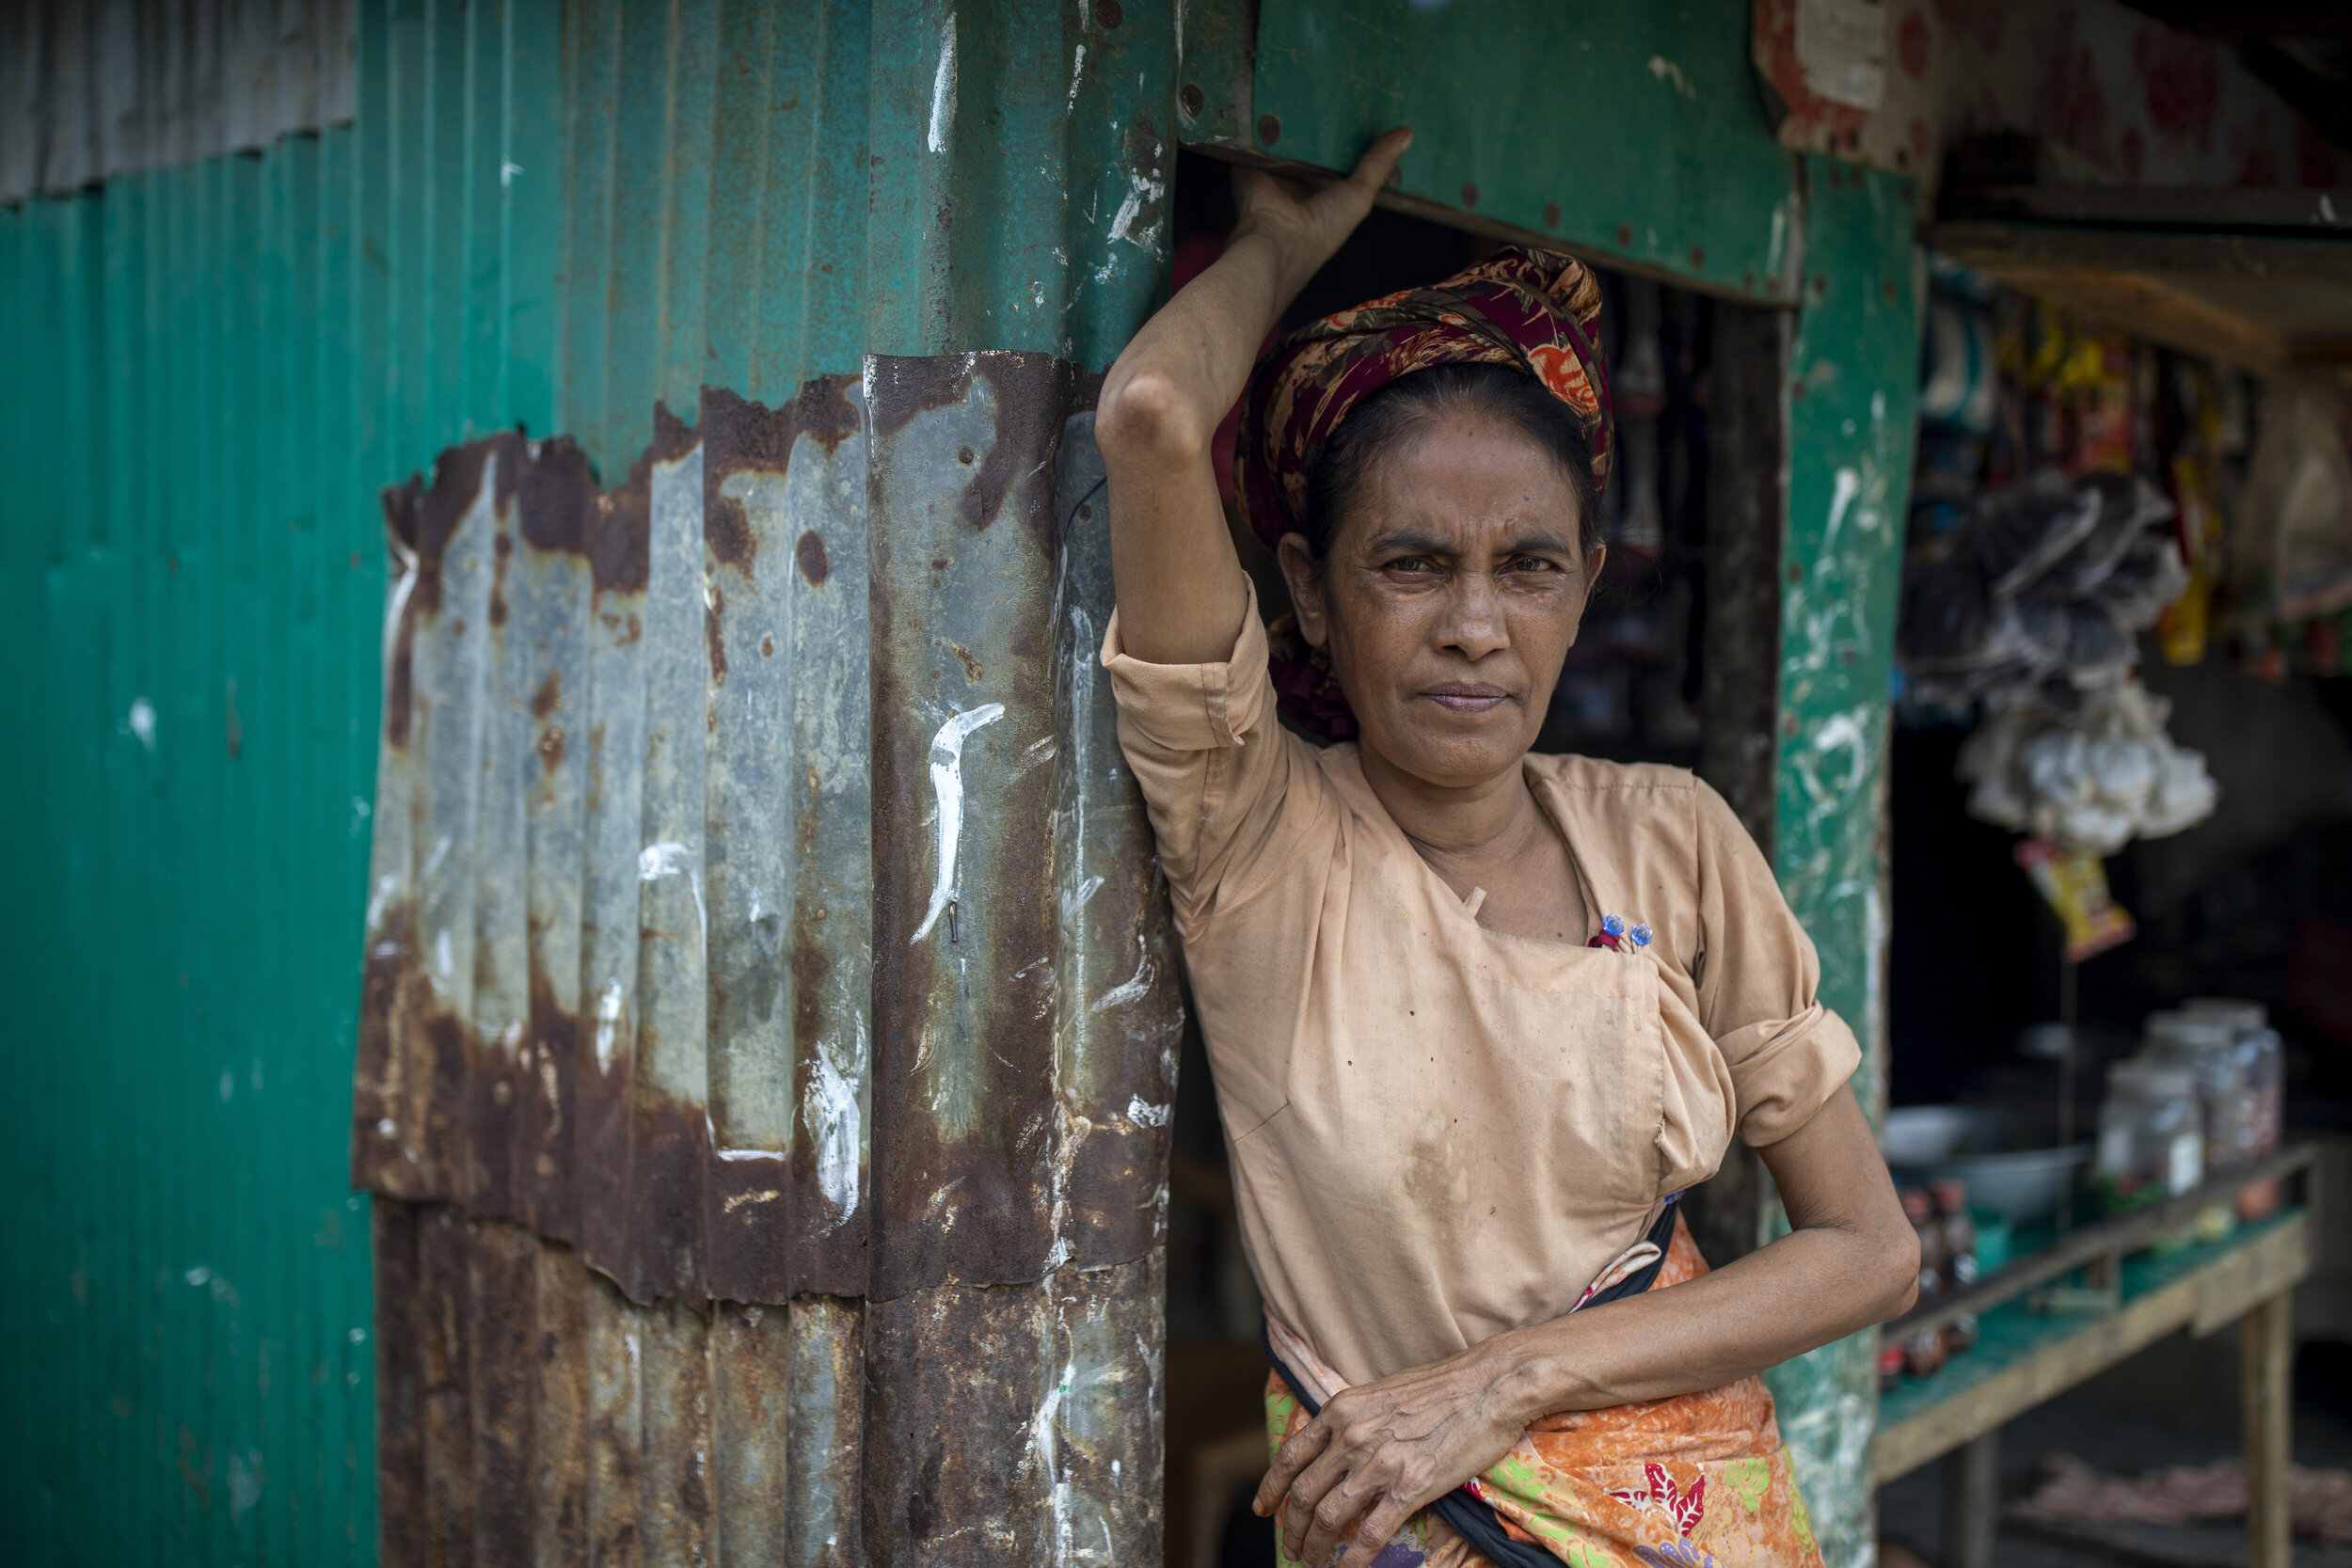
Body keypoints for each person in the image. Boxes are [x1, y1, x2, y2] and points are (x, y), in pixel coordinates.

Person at [1094, 130, 1920, 1568]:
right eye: (1412, 564)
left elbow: (1869, 1249)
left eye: (1529, 567)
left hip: (1699, 1517)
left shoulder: (1669, 839)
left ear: (1586, 586)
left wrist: (1503, 1382)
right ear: (1307, 585)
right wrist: (1281, 246)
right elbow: (1157, 414)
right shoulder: (1256, 835)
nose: (1476, 624)